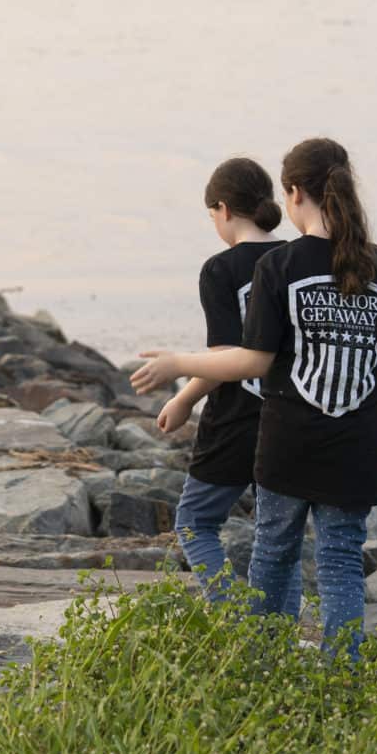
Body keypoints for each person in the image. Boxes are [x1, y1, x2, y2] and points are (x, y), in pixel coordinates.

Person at [133, 139, 377, 655]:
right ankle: (341, 685)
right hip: (357, 445)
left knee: (274, 556)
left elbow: (253, 360)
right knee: (341, 567)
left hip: (288, 443)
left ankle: (262, 666)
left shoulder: (280, 267)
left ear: (295, 193)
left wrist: (179, 365)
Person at [154, 158, 285, 594]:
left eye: (211, 214)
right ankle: (274, 632)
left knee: (194, 521)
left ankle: (230, 616)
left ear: (223, 209)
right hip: (291, 415)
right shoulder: (294, 258)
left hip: (234, 419)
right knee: (276, 535)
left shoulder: (220, 269)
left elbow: (224, 357)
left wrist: (183, 397)